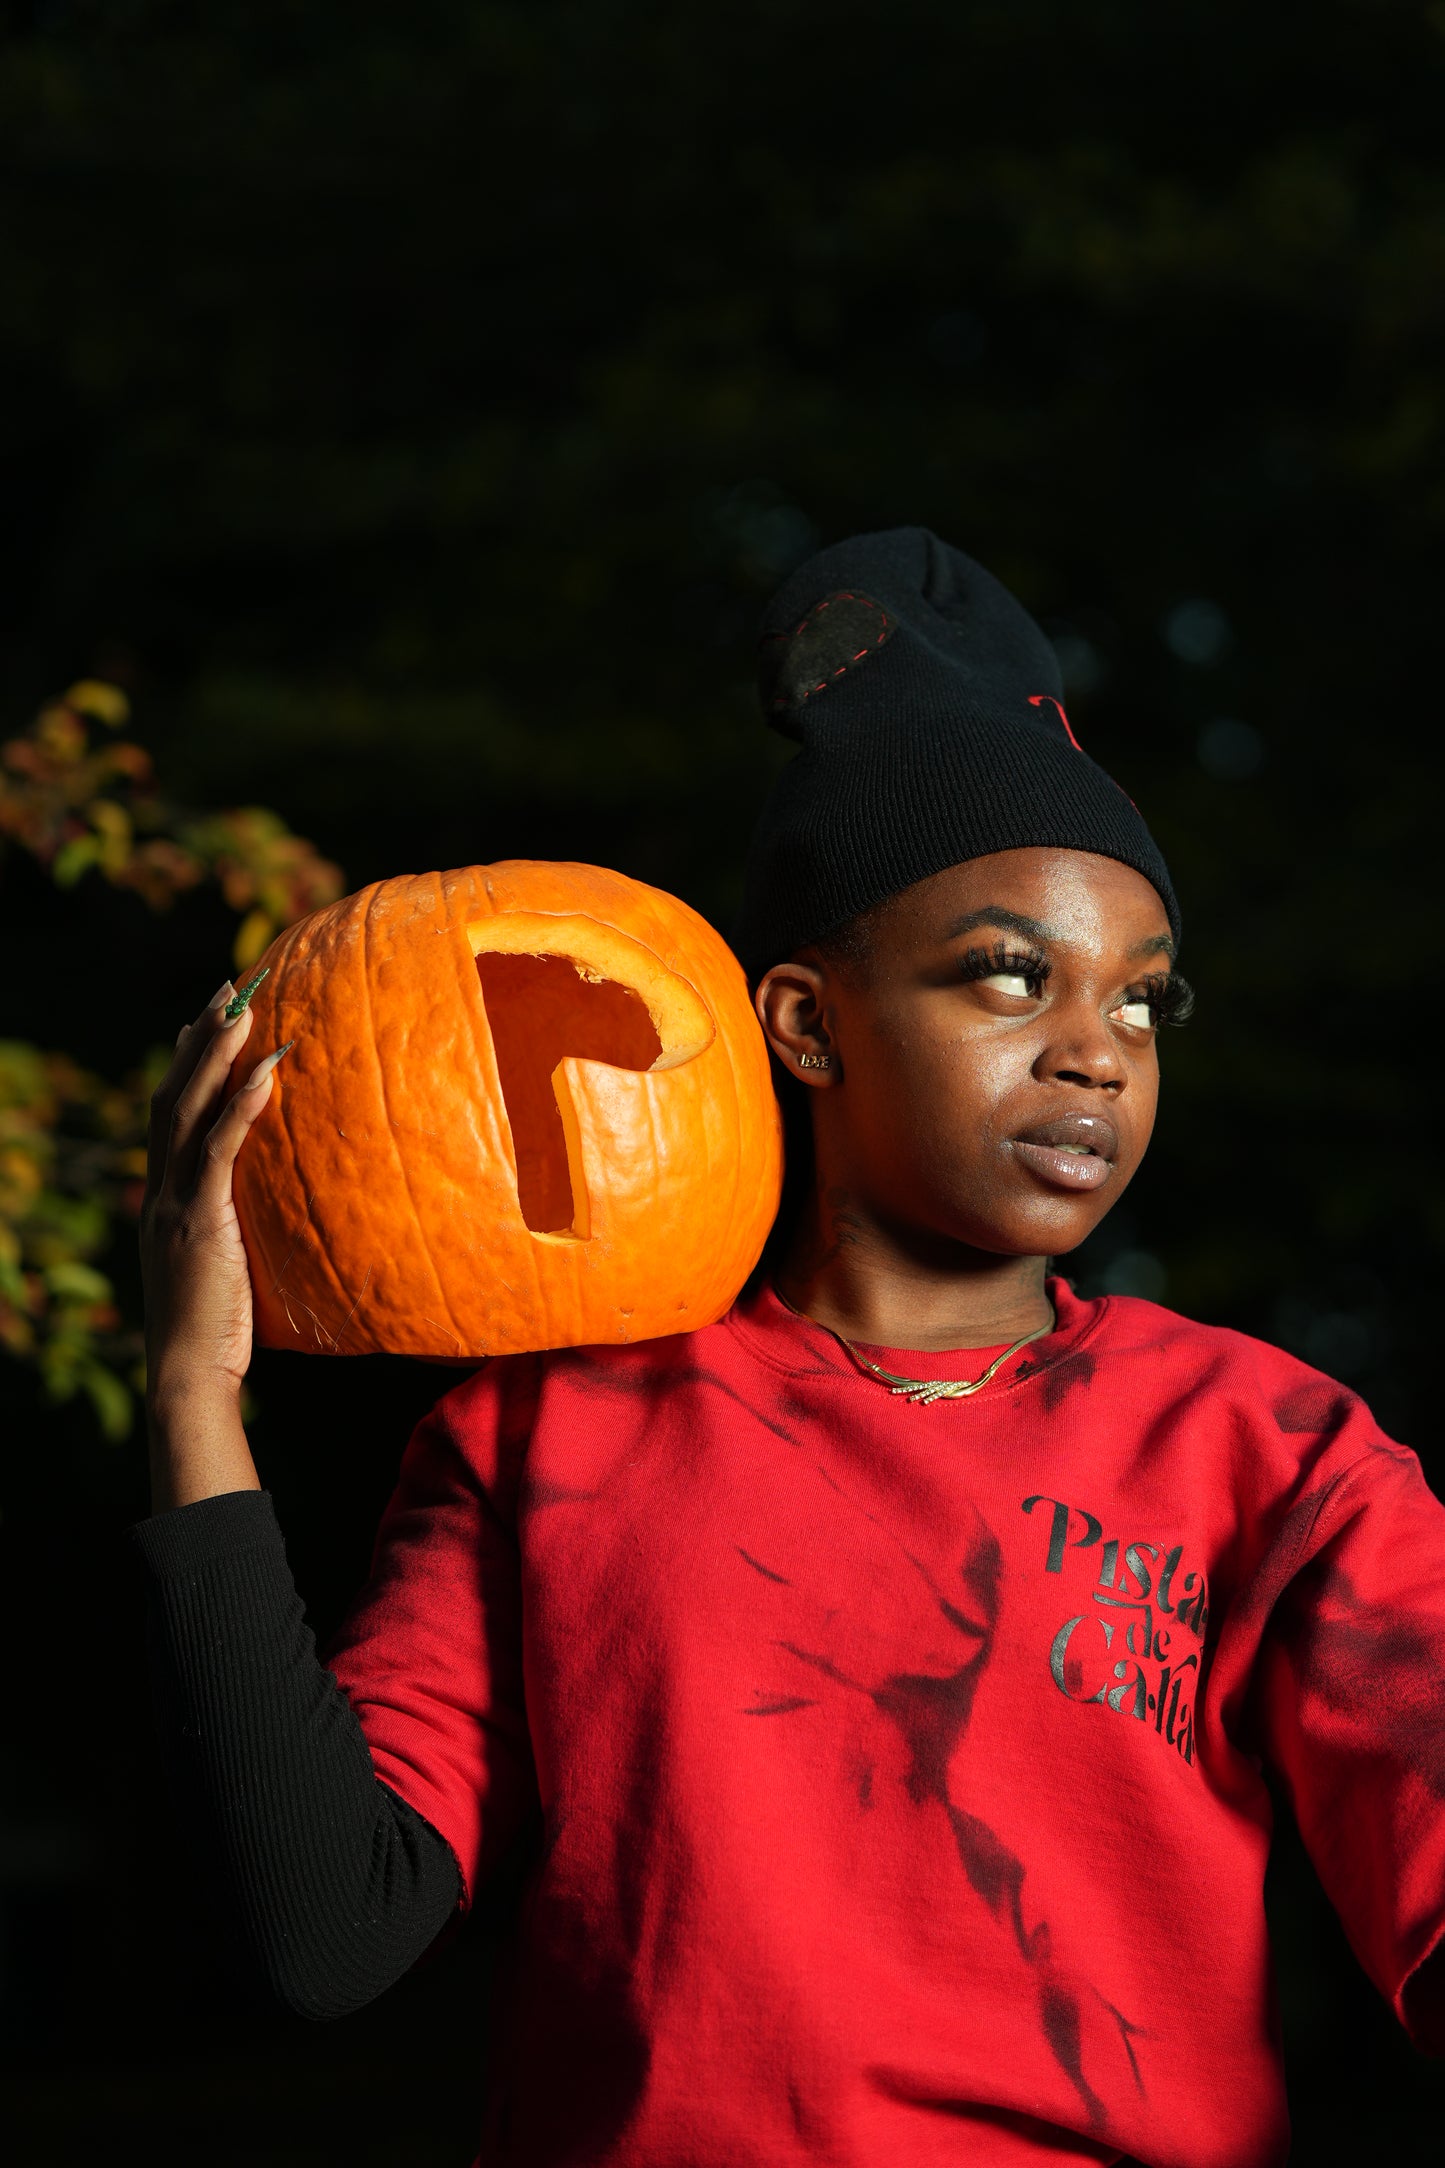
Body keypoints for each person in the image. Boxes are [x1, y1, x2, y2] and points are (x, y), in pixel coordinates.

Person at [134, 529, 1445, 2168]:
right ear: (806, 1024)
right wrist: (195, 1398)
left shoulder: (1269, 1447)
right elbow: (334, 1930)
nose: (1093, 1056)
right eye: (1007, 978)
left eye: (1139, 1003)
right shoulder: (555, 1436)